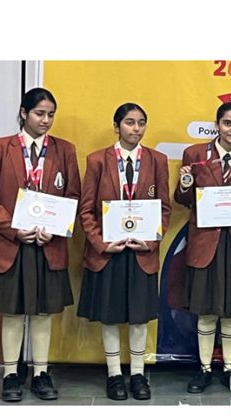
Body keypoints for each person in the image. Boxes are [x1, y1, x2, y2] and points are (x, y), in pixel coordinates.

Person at [0, 87, 81, 402]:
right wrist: (13, 228)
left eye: (50, 114)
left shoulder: (65, 150)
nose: (46, 120)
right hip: (11, 245)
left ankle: (41, 373)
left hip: (48, 245)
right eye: (39, 113)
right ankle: (10, 373)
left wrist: (56, 228)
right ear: (23, 113)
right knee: (12, 312)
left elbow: (72, 196)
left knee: (42, 313)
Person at [77, 103, 171, 401]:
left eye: (141, 122)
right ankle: (115, 373)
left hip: (142, 251)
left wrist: (152, 242)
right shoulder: (97, 160)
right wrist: (102, 243)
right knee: (110, 315)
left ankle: (139, 373)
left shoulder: (157, 160)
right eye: (129, 123)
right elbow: (86, 210)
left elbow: (164, 209)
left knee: (140, 317)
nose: (136, 128)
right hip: (109, 251)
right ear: (117, 126)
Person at [174, 102, 231, 393]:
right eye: (227, 123)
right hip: (206, 241)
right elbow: (183, 199)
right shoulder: (195, 154)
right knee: (206, 310)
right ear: (217, 125)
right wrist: (185, 184)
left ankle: (228, 368)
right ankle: (203, 368)